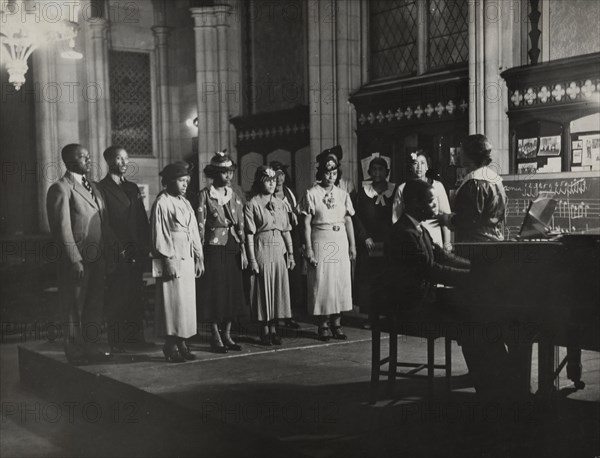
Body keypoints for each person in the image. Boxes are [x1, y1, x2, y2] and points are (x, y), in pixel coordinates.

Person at [386, 179, 513, 402]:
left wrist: (475, 267)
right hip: (412, 307)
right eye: (429, 201)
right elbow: (431, 269)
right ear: (414, 203)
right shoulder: (404, 233)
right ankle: (494, 390)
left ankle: (498, 384)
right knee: (473, 324)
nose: (434, 206)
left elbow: (442, 256)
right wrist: (472, 277)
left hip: (423, 299)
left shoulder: (416, 227)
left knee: (479, 320)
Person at [46, 144, 113, 365]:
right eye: (82, 156)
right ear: (68, 161)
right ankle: (75, 351)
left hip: (98, 257)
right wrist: (74, 260)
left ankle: (92, 347)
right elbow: (62, 230)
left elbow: (102, 222)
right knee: (74, 307)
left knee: (94, 305)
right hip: (78, 260)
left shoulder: (93, 186)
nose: (88, 158)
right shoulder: (60, 188)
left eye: (88, 155)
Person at [96, 146, 152, 352]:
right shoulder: (100, 188)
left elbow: (142, 220)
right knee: (118, 296)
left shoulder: (132, 188)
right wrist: (117, 248)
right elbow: (104, 222)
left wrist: (146, 246)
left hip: (136, 249)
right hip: (117, 250)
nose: (124, 162)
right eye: (119, 159)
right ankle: (117, 341)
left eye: (126, 158)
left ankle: (136, 339)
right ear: (109, 161)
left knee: (135, 295)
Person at [299, 147, 356, 341]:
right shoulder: (311, 193)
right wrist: (308, 248)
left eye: (334, 173)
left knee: (340, 282)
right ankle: (323, 324)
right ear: (320, 172)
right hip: (321, 239)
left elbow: (348, 220)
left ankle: (337, 323)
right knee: (323, 282)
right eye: (327, 172)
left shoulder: (342, 194)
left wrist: (352, 246)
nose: (330, 176)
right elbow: (305, 223)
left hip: (340, 240)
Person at [151, 161, 204, 363]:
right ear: (170, 181)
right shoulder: (162, 203)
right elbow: (159, 235)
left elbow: (193, 232)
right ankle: (170, 344)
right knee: (172, 303)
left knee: (186, 304)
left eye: (187, 181)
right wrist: (167, 259)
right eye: (181, 181)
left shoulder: (185, 202)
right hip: (173, 258)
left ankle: (183, 341)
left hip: (187, 258)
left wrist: (199, 257)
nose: (185, 185)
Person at [197, 151, 247, 353]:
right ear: (215, 173)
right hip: (213, 247)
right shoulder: (204, 195)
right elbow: (200, 225)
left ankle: (228, 334)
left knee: (232, 291)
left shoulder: (234, 195)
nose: (228, 176)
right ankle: (215, 334)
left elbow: (241, 222)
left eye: (231, 172)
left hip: (232, 246)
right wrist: (199, 252)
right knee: (216, 292)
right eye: (224, 172)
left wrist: (243, 246)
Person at [245, 166, 296, 346]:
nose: (272, 183)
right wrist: (252, 259)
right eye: (268, 180)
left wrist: (290, 254)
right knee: (262, 289)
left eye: (274, 180)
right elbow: (249, 234)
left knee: (277, 288)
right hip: (262, 247)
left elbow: (287, 230)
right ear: (260, 182)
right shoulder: (252, 204)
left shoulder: (281, 204)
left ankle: (275, 328)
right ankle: (264, 329)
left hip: (278, 249)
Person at [436, 134, 507, 242]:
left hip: (476, 245)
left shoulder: (474, 183)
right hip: (494, 242)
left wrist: (445, 219)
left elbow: (468, 220)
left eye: (462, 152)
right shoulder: (495, 180)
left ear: (470, 155)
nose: (459, 155)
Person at [353, 156, 396, 317]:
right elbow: (356, 217)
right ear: (369, 172)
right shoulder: (363, 193)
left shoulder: (395, 190)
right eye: (374, 170)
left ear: (387, 172)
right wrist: (365, 237)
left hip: (389, 242)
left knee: (388, 276)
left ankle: (387, 313)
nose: (377, 173)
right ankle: (371, 316)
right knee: (370, 279)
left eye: (381, 169)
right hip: (370, 243)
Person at [392, 150, 452, 250]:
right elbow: (396, 218)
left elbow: (445, 216)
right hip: (411, 240)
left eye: (423, 163)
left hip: (434, 239)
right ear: (411, 167)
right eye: (416, 163)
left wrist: (447, 243)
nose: (419, 167)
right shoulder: (402, 188)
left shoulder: (437, 187)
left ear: (428, 166)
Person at [270, 160, 302, 329]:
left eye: (281, 174)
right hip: (275, 239)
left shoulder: (289, 192)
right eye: (275, 175)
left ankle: (290, 314)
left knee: (292, 278)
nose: (279, 179)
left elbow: (296, 215)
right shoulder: (269, 194)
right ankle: (275, 315)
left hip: (291, 237)